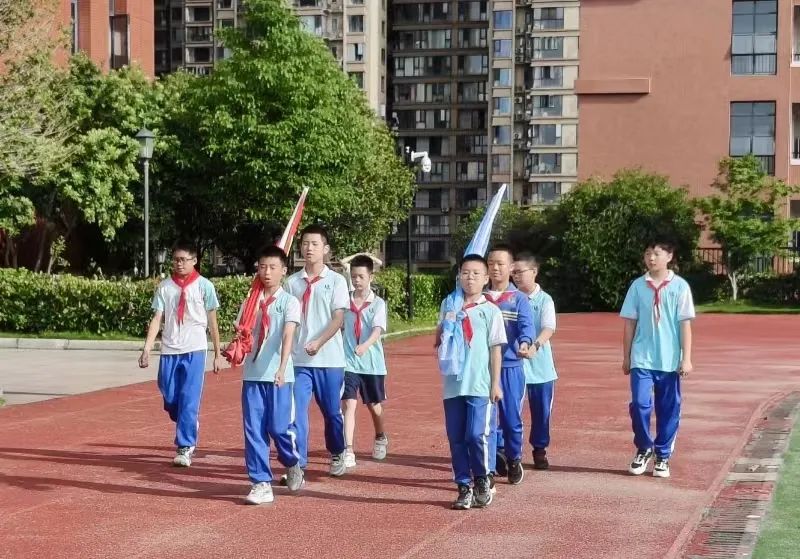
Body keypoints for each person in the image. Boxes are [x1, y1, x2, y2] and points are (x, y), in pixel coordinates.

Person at [139, 241, 223, 467]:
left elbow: (213, 321)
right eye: (176, 259)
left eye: (183, 260)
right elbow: (157, 318)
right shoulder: (165, 287)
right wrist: (147, 348)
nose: (179, 264)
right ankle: (188, 421)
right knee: (169, 395)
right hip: (170, 349)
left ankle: (185, 446)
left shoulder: (205, 286)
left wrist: (216, 353)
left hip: (195, 349)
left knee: (188, 398)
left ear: (194, 260)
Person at [620, 239, 695, 479]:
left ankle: (662, 454)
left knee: (668, 408)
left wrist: (686, 358)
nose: (651, 258)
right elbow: (630, 323)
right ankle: (644, 447)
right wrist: (627, 356)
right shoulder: (637, 286)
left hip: (669, 359)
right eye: (648, 253)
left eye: (657, 253)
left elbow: (685, 325)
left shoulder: (680, 287)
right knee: (640, 405)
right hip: (642, 357)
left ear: (669, 256)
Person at [437, 254, 506, 510]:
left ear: (486, 278)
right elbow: (440, 338)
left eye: (476, 273)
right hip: (454, 383)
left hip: (479, 383)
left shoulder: (490, 310)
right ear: (459, 276)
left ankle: (482, 478)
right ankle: (463, 486)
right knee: (456, 437)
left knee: (476, 435)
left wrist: (495, 383)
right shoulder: (449, 304)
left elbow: (495, 349)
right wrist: (447, 324)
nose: (470, 278)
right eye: (465, 273)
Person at [238, 246, 305, 504]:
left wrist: (281, 366)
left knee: (278, 428)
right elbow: (244, 335)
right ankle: (260, 482)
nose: (266, 272)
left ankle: (291, 461)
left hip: (279, 376)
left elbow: (288, 333)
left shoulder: (289, 302)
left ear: (283, 271)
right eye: (262, 267)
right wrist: (234, 348)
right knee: (254, 430)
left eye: (272, 267)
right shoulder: (250, 301)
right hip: (253, 375)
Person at [286, 225, 350, 477]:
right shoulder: (292, 283)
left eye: (314, 244)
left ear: (325, 249)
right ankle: (298, 463)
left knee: (332, 412)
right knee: (296, 411)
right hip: (299, 361)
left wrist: (319, 342)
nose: (308, 248)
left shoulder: (336, 282)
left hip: (329, 360)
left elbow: (338, 319)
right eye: (305, 243)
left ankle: (337, 450)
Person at [485, 245, 534, 485]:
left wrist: (525, 343)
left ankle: (514, 458)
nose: (495, 268)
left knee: (510, 420)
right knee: (486, 421)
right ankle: (490, 467)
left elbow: (527, 326)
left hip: (511, 368)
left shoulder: (519, 299)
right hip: (483, 370)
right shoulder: (479, 298)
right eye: (491, 263)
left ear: (511, 267)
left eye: (500, 263)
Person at [342, 255, 389, 468]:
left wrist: (365, 345)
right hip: (349, 362)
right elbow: (339, 325)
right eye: (353, 276)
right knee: (348, 404)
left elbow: (378, 330)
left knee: (373, 405)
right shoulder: (345, 302)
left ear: (370, 276)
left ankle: (380, 435)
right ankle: (348, 449)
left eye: (361, 276)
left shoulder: (378, 304)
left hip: (371, 363)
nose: (357, 280)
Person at [512, 253, 557, 470]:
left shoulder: (544, 300)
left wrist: (535, 346)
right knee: (511, 411)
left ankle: (540, 449)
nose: (516, 277)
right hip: (514, 366)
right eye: (514, 272)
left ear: (534, 272)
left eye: (520, 272)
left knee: (541, 413)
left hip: (540, 368)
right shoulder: (508, 298)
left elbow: (548, 327)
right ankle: (511, 452)